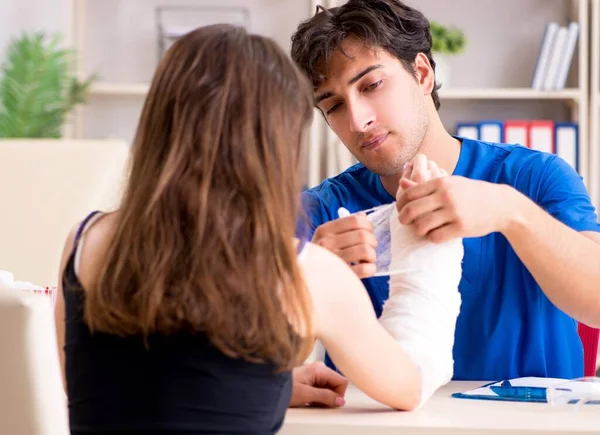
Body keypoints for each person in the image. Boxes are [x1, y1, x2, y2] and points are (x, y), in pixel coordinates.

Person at [53, 23, 462, 435]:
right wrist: (424, 250)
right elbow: (409, 385)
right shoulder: (305, 270)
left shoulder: (83, 242)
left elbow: (104, 394)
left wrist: (271, 385)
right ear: (274, 142)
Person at [291, 0, 600, 381]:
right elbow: (270, 352)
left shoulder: (535, 177)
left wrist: (510, 212)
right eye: (334, 105)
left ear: (422, 74)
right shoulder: (322, 210)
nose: (358, 119)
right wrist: (308, 281)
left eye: (371, 85)